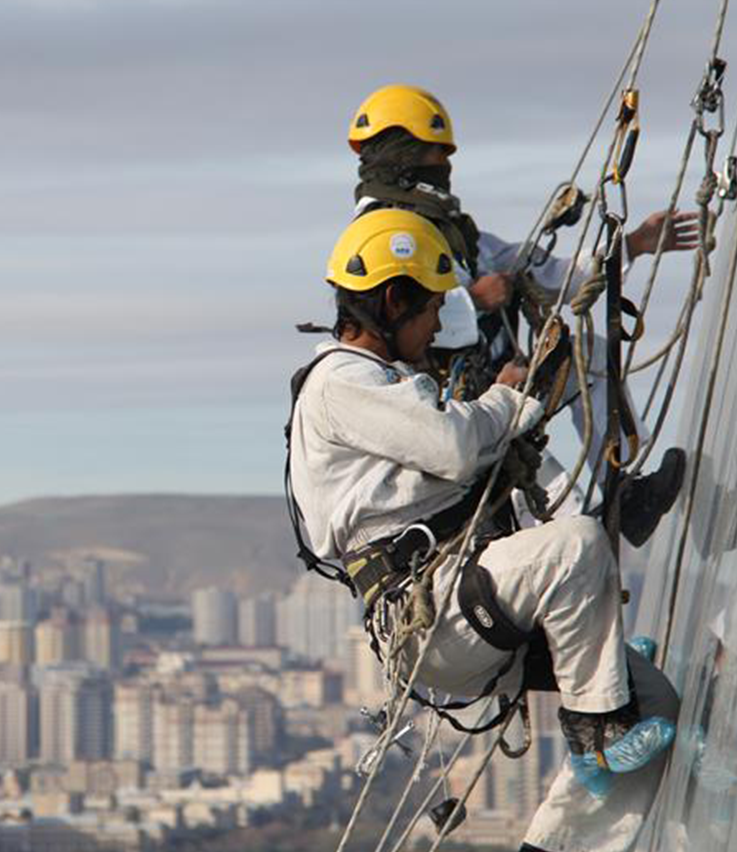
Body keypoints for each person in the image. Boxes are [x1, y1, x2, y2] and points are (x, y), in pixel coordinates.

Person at [287, 208, 679, 852]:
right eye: (430, 308)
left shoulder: (388, 385)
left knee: (654, 703)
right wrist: (508, 399)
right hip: (432, 613)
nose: (439, 322)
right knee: (575, 545)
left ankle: (559, 839)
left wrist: (516, 409)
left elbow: (452, 458)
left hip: (464, 603)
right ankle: (597, 729)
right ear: (392, 300)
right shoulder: (340, 381)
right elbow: (450, 446)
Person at [347, 84, 698, 545]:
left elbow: (551, 277)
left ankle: (626, 492)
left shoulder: (462, 236)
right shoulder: (380, 238)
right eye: (436, 155)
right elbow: (390, 321)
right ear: (402, 152)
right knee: (567, 532)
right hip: (458, 411)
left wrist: (632, 245)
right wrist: (473, 300)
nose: (445, 168)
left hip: (504, 386)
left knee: (586, 356)